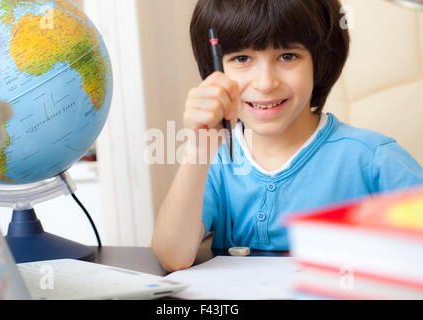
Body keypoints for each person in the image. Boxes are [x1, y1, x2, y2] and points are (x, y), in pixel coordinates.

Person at [151, 0, 423, 272]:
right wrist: (199, 149)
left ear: (319, 61)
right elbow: (173, 256)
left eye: (288, 56)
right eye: (242, 59)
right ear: (216, 71)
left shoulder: (373, 158)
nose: (266, 83)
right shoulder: (215, 160)